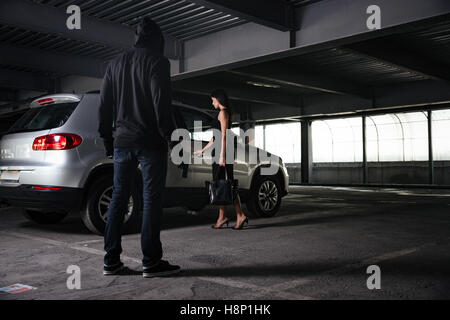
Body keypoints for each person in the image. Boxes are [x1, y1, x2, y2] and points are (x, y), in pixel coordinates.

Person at [98, 17, 180, 278]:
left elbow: (104, 106)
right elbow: (160, 102)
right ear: (157, 40)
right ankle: (151, 262)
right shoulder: (158, 61)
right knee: (151, 200)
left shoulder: (114, 64)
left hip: (122, 141)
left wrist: (107, 139)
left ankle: (111, 261)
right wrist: (169, 136)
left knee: (119, 198)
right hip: (150, 142)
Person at [194, 89, 249, 230]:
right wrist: (203, 150)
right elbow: (216, 137)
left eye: (213, 100)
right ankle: (224, 216)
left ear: (218, 100)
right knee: (223, 183)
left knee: (225, 184)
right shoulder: (224, 113)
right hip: (221, 151)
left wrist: (222, 155)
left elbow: (224, 136)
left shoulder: (222, 113)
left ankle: (237, 215)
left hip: (222, 152)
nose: (212, 103)